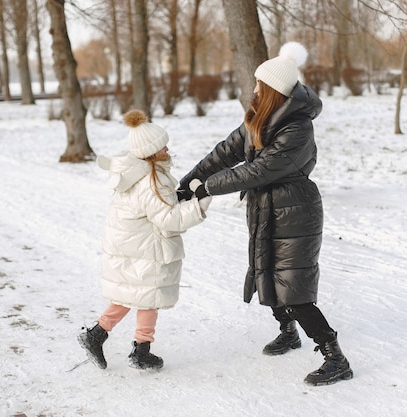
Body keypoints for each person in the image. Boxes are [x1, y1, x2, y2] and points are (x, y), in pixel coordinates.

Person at [178, 42, 353, 386]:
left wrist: (207, 188)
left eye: (260, 84)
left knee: (294, 288)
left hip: (294, 212)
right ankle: (288, 332)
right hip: (265, 209)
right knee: (267, 274)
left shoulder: (298, 128)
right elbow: (224, 153)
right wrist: (189, 181)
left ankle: (336, 358)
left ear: (274, 89)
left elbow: (257, 171)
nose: (254, 88)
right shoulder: (258, 118)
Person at [79, 109, 212, 370]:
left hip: (134, 246)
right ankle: (139, 351)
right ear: (152, 152)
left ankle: (99, 336)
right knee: (147, 296)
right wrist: (199, 206)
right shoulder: (153, 181)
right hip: (145, 248)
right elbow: (168, 219)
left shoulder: (135, 172)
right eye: (163, 145)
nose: (167, 148)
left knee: (136, 294)